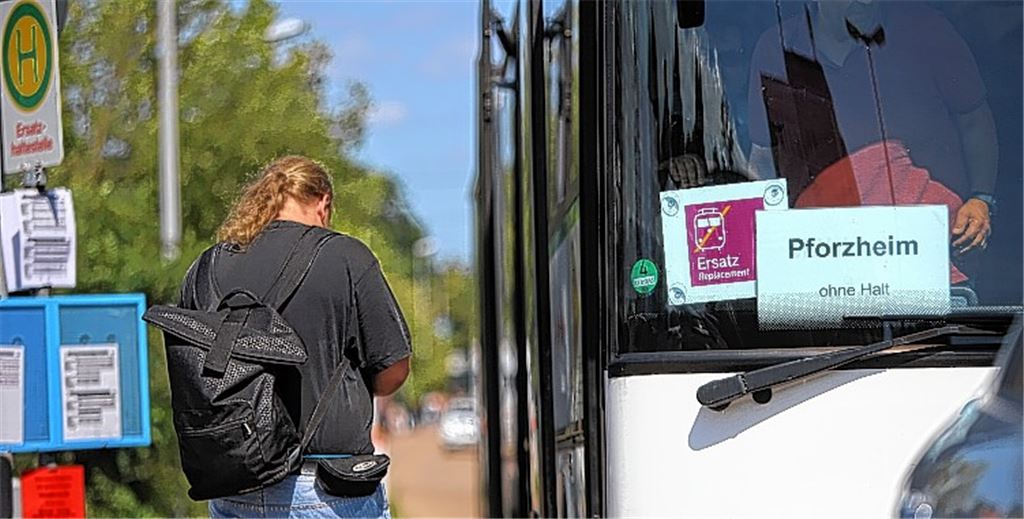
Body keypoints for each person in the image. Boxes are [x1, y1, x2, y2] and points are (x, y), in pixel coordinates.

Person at [180, 155, 411, 518]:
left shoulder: (208, 266)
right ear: (323, 203)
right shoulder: (346, 257)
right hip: (325, 490)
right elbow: (393, 369)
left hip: (233, 489)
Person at [746, 0, 998, 259]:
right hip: (824, 255)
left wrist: (981, 199)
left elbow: (973, 121)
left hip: (936, 248)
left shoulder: (925, 29)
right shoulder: (777, 48)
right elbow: (765, 160)